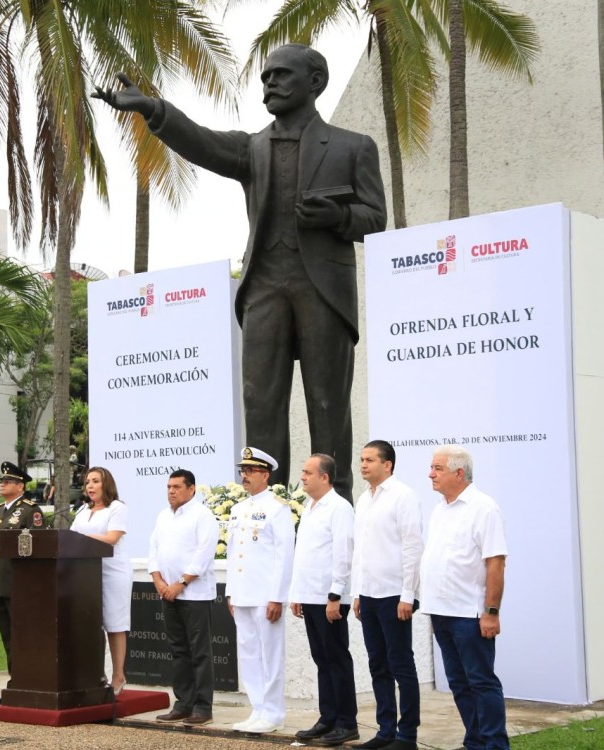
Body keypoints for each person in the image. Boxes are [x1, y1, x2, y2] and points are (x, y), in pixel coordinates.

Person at [94, 44, 387, 499]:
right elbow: (201, 141)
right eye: (265, 76)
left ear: (315, 82)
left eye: (281, 74)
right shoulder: (252, 148)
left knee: (327, 403)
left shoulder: (353, 146)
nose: (269, 83)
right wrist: (153, 109)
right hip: (263, 288)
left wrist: (338, 216)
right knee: (260, 401)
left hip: (324, 290)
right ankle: (263, 504)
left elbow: (375, 218)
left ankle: (335, 502)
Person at [421, 445, 509, 750]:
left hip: (469, 615)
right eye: (432, 468)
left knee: (481, 682)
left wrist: (491, 612)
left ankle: (494, 745)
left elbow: (495, 563)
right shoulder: (439, 510)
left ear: (459, 473)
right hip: (441, 613)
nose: (430, 474)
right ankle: (476, 741)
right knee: (458, 683)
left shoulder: (484, 508)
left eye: (437, 468)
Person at [352, 440, 424, 750]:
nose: (363, 464)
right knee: (377, 664)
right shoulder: (363, 499)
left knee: (401, 664)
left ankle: (407, 735)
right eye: (362, 459)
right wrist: (357, 592)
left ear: (387, 464)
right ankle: (385, 731)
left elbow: (412, 547)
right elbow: (360, 551)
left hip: (395, 594)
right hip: (369, 594)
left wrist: (408, 594)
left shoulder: (403, 496)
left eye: (369, 460)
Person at [226, 447, 296, 735]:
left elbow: (284, 555)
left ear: (265, 475)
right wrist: (231, 592)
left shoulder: (278, 508)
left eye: (250, 471)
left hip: (265, 595)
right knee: (248, 653)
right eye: (243, 470)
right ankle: (258, 709)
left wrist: (277, 597)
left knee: (270, 655)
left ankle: (274, 713)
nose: (245, 475)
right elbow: (234, 553)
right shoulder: (238, 509)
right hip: (243, 593)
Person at [289, 454, 358, 746]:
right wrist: (297, 594)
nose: (302, 477)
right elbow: (304, 554)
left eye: (308, 472)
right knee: (321, 659)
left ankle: (346, 722)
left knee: (336, 658)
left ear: (325, 477)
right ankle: (328, 717)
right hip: (311, 596)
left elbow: (343, 554)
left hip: (330, 597)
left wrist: (335, 595)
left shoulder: (339, 508)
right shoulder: (310, 506)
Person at [149, 469, 220, 726]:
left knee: (199, 651)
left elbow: (204, 554)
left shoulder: (202, 515)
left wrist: (180, 583)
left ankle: (203, 707)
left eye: (177, 487)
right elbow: (154, 550)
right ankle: (183, 704)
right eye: (169, 487)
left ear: (191, 489)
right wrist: (158, 581)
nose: (171, 491)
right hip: (168, 593)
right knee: (178, 651)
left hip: (194, 594)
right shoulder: (163, 516)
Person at [0, 461, 44, 704]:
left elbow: (37, 547)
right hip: (0, 584)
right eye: (2, 481)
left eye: (8, 481)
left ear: (20, 486)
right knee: (8, 637)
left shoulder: (30, 511)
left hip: (20, 585)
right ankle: (16, 682)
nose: (3, 484)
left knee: (23, 637)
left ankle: (28, 682)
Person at [71, 466, 131, 696]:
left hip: (113, 572)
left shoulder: (117, 508)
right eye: (87, 482)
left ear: (106, 484)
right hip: (87, 574)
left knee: (115, 625)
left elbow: (111, 538)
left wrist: (81, 538)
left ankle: (118, 676)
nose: (90, 486)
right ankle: (93, 675)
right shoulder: (82, 511)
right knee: (90, 624)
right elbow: (69, 539)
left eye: (95, 481)